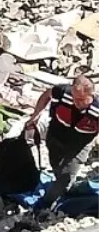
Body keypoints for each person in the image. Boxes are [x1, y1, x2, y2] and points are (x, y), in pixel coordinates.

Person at [26, 73, 99, 208]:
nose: (77, 103)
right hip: (55, 137)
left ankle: (44, 205)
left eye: (82, 100)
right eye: (74, 98)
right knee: (57, 168)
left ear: (91, 95)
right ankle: (60, 187)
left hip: (79, 145)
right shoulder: (62, 92)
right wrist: (35, 115)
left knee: (66, 175)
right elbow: (46, 95)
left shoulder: (97, 109)